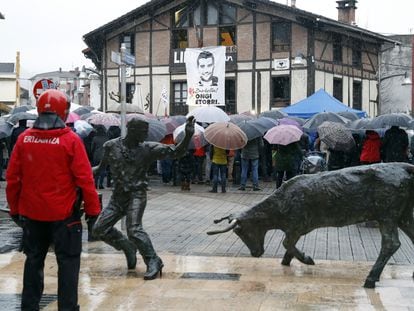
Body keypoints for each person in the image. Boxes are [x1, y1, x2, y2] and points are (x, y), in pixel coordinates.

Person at [6, 89, 101, 311]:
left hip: (32, 216)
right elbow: (85, 179)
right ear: (64, 111)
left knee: (33, 262)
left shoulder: (24, 139)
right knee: (68, 265)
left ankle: (29, 306)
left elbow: (13, 179)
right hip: (64, 217)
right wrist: (93, 211)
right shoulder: (70, 140)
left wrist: (14, 209)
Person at [92, 116, 195, 280]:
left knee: (134, 229)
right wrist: (83, 171)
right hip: (118, 196)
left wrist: (188, 136)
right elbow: (100, 168)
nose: (146, 135)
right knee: (99, 229)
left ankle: (153, 260)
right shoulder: (110, 146)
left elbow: (176, 152)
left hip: (136, 194)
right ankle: (127, 246)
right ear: (132, 131)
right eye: (143, 132)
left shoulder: (148, 148)